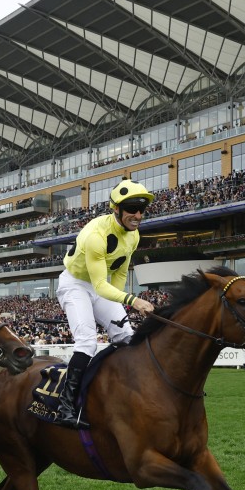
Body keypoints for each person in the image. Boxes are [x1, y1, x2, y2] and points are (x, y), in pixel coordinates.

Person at [54, 179, 156, 429]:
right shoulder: (96, 236)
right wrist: (133, 301)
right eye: (132, 208)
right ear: (117, 209)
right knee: (87, 342)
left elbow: (119, 274)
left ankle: (126, 393)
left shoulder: (133, 235)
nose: (138, 215)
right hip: (75, 284)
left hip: (101, 285)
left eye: (142, 209)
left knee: (126, 336)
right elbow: (100, 285)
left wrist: (119, 303)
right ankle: (65, 407)